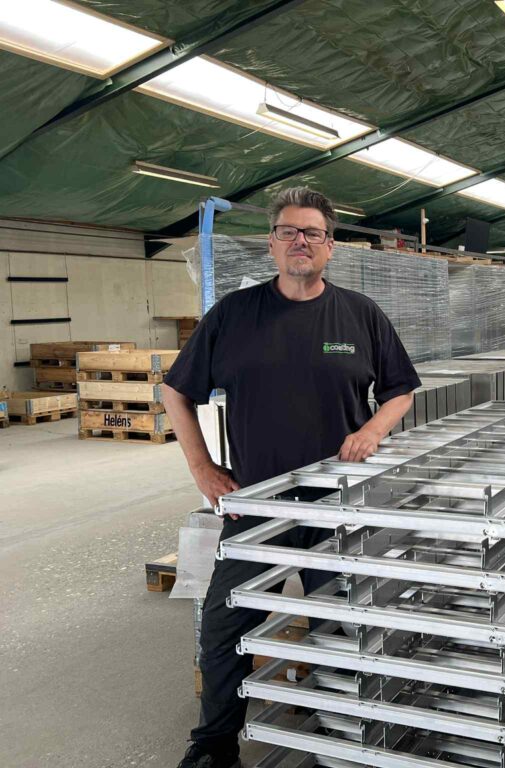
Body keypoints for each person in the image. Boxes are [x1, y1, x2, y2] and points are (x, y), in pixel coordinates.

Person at [162, 187, 419, 768]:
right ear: (272, 244)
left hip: (338, 506)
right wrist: (202, 468)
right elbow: (175, 392)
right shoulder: (234, 314)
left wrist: (373, 429)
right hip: (258, 505)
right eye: (288, 232)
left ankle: (342, 737)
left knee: (342, 626)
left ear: (330, 246)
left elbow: (400, 391)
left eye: (312, 233)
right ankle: (214, 747)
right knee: (225, 628)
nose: (300, 241)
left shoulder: (360, 314)